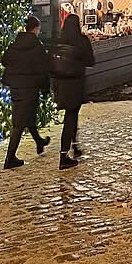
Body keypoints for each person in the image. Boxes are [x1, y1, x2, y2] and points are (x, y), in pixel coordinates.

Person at [2, 15, 51, 170]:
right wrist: (45, 89)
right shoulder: (36, 46)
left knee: (27, 117)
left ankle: (39, 142)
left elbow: (4, 60)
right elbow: (43, 70)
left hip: (15, 87)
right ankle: (9, 159)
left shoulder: (16, 43)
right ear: (36, 29)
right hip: (30, 88)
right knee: (19, 123)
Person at [51, 13, 95, 170]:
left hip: (62, 86)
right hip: (76, 85)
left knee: (71, 116)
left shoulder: (59, 41)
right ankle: (63, 156)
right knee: (70, 118)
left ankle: (74, 146)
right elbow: (91, 61)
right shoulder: (82, 41)